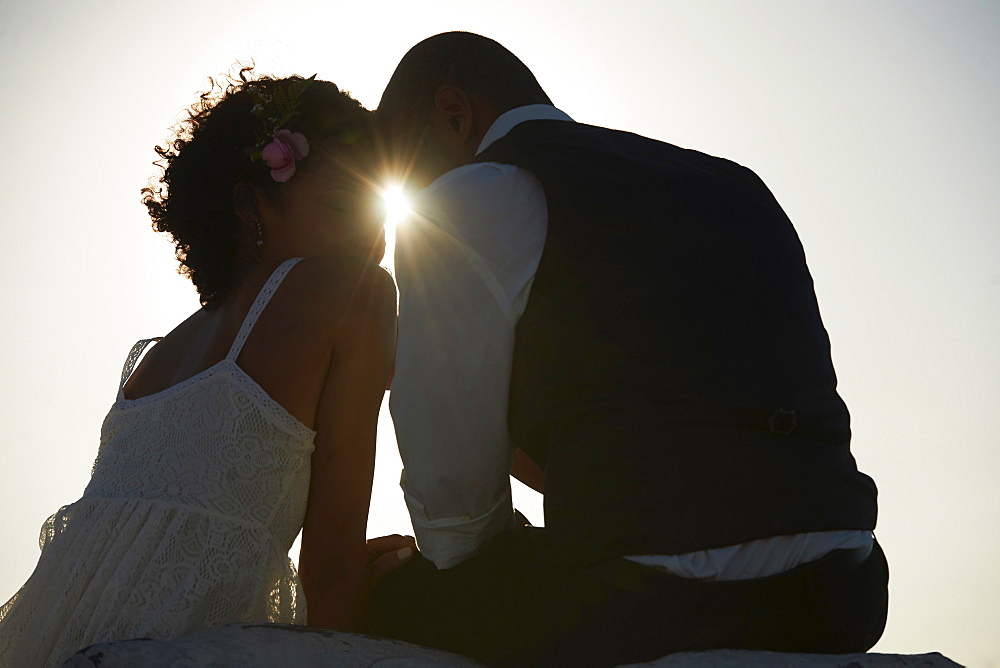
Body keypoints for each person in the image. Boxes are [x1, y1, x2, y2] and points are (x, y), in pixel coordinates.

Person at [369, 32, 888, 665]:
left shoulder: (463, 202)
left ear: (454, 113)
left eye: (408, 165)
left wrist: (466, 566)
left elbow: (453, 516)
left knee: (389, 595)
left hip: (648, 602)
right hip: (844, 588)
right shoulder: (739, 184)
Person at [0, 71, 413, 667]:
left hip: (56, 639)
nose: (370, 239)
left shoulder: (153, 360)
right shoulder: (353, 292)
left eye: (380, 215)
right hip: (189, 644)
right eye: (344, 206)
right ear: (251, 203)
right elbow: (331, 558)